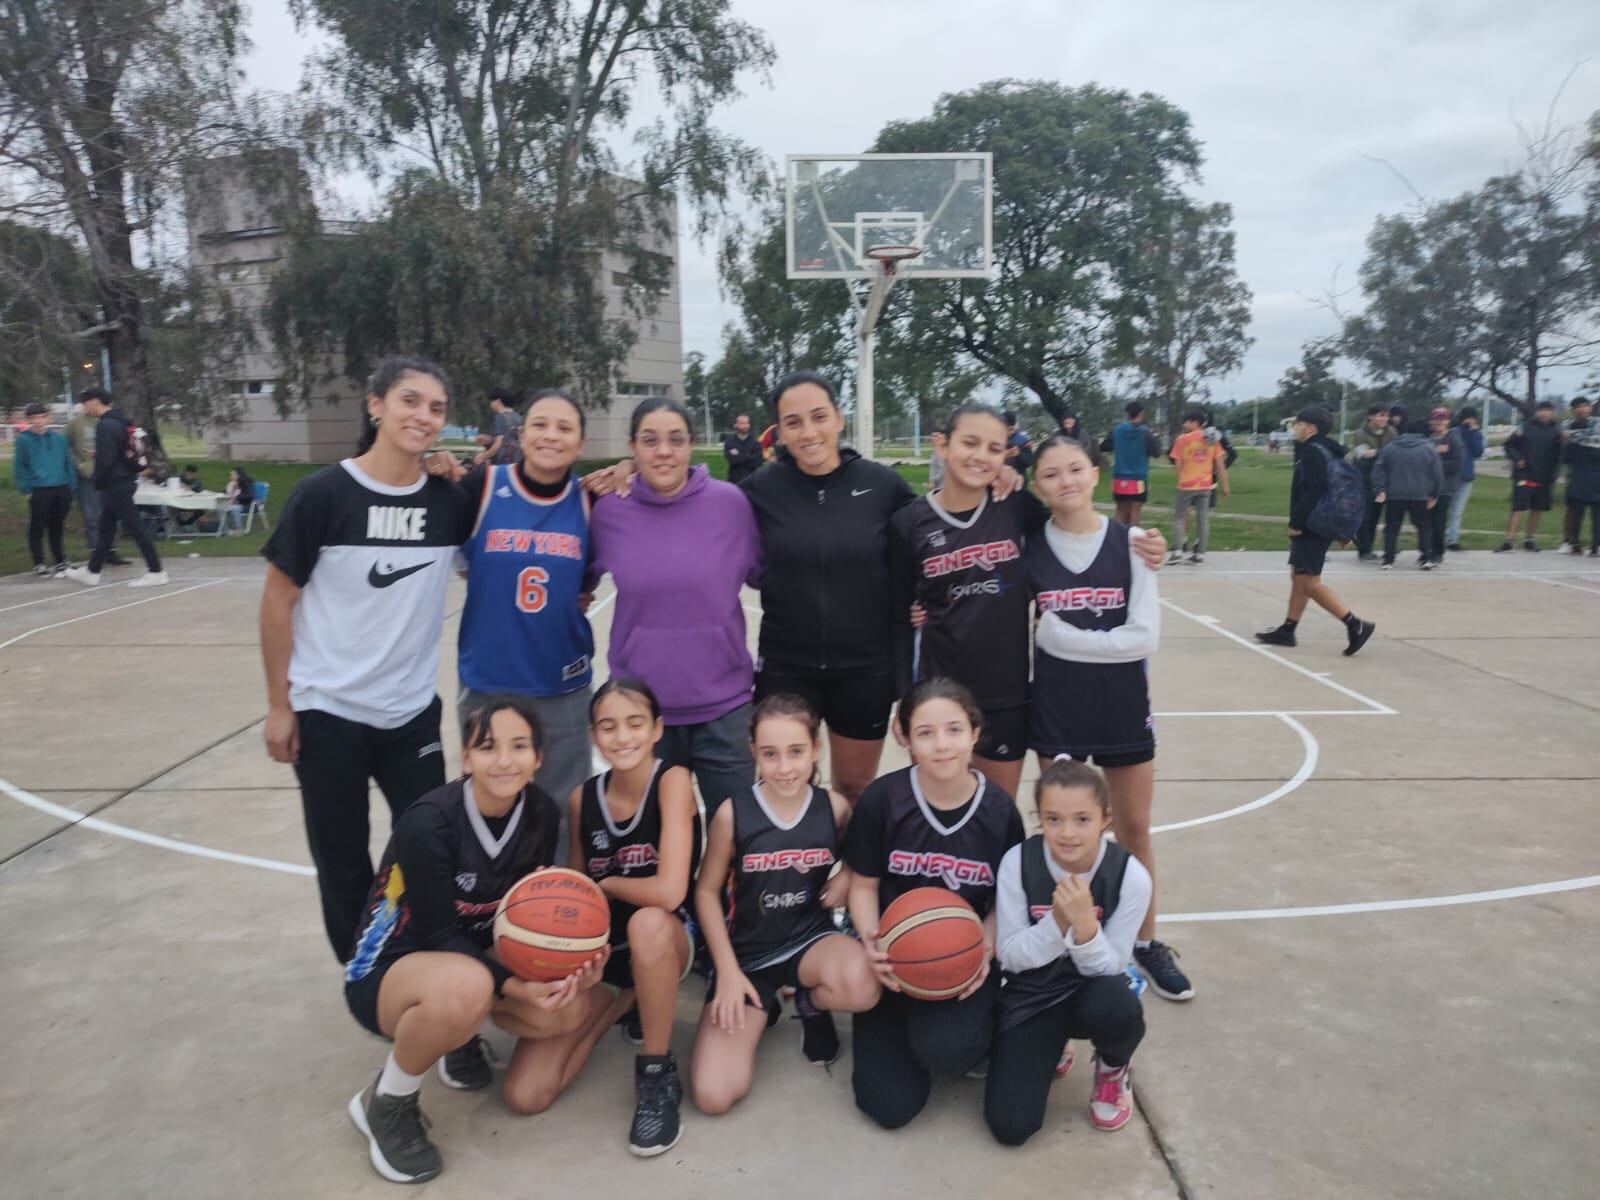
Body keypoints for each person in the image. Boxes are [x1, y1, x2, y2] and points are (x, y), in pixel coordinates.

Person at [260, 356, 474, 961]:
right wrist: (280, 705)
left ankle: (430, 970)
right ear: (374, 404)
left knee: (428, 852)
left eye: (435, 408)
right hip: (328, 713)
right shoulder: (324, 495)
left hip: (409, 716)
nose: (423, 416)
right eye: (410, 400)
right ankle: (364, 975)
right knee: (342, 860)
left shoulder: (448, 501)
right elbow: (278, 602)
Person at [341, 696, 589, 1185]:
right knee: (467, 986)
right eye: (488, 746)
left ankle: (457, 1038)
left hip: (465, 963)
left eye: (519, 746)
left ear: (539, 757)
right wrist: (515, 986)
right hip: (390, 970)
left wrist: (570, 956)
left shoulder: (538, 810)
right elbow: (440, 934)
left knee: (563, 1009)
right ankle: (387, 1102)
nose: (504, 760)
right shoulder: (429, 821)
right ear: (466, 757)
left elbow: (516, 916)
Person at [890, 404, 1168, 799]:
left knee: (996, 816)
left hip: (1008, 694)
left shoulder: (1017, 508)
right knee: (937, 814)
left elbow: (1074, 527)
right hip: (937, 691)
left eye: (993, 448)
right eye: (969, 443)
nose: (979, 456)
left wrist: (1141, 542)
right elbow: (899, 615)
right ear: (942, 444)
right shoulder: (908, 523)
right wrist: (904, 697)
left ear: (1006, 454)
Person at [1026, 432, 1195, 1000]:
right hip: (1058, 709)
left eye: (1075, 469)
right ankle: (1066, 939)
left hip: (1123, 705)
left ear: (1096, 474)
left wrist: (1059, 635)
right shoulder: (1030, 547)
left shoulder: (1135, 542)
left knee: (1134, 829)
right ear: (1036, 485)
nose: (1065, 481)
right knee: (1065, 836)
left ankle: (1146, 943)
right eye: (1051, 474)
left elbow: (1143, 638)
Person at [844, 679, 1024, 1129]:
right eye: (925, 733)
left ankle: (998, 1022)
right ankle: (906, 1025)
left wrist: (984, 947)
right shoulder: (883, 800)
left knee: (947, 1051)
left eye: (954, 730)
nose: (942, 745)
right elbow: (863, 885)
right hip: (895, 959)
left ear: (975, 734)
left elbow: (1006, 902)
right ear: (904, 737)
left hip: (961, 960)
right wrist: (872, 942)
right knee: (888, 1107)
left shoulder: (1000, 812)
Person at [739, 372, 921, 805]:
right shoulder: (759, 491)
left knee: (854, 791)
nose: (808, 432)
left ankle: (850, 873)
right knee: (782, 788)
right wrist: (627, 474)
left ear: (839, 418)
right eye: (793, 422)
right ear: (779, 432)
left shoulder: (883, 485)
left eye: (819, 417)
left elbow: (939, 528)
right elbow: (694, 502)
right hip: (786, 665)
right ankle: (788, 873)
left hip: (864, 669)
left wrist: (997, 483)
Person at [692, 694, 878, 1114]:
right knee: (713, 1094)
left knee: (865, 982)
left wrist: (847, 874)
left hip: (809, 941)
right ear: (753, 752)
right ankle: (765, 999)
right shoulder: (733, 814)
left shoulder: (833, 807)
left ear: (816, 749)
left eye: (796, 752)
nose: (784, 767)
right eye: (770, 754)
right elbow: (705, 892)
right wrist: (724, 972)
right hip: (747, 958)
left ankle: (811, 1004)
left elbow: (862, 856)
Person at [590, 398, 762, 815]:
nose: (663, 451)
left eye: (675, 439)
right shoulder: (609, 510)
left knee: (735, 835)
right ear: (632, 446)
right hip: (641, 713)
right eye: (649, 441)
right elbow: (575, 585)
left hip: (725, 709)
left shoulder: (731, 505)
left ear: (692, 444)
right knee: (657, 844)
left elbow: (768, 578)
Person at [558, 680, 701, 1155]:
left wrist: (609, 885)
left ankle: (656, 1072)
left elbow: (668, 891)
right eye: (608, 726)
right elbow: (578, 898)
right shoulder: (583, 800)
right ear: (594, 736)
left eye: (635, 723)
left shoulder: (673, 781)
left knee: (647, 922)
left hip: (669, 935)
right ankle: (628, 999)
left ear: (657, 728)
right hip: (609, 955)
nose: (623, 737)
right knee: (528, 1093)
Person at [984, 759, 1151, 1144]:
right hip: (1033, 994)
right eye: (1053, 819)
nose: (1067, 833)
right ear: (1039, 818)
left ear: (1105, 819)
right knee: (1011, 1127)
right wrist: (1058, 924)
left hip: (1092, 990)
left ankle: (1112, 1067)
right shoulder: (1017, 863)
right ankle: (1052, 1045)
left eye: (1082, 819)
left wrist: (1086, 928)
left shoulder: (1130, 875)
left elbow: (1112, 965)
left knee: (1119, 1005)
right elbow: (1009, 955)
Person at [454, 389, 598, 814]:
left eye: (564, 427)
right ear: (522, 432)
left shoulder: (592, 499)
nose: (551, 436)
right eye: (540, 424)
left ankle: (559, 884)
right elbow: (458, 560)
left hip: (561, 683)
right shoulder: (482, 486)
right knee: (488, 806)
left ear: (581, 443)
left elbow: (594, 573)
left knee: (563, 808)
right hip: (488, 680)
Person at [1257, 407, 1377, 652]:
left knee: (1308, 581)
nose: (1295, 428)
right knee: (1299, 576)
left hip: (1311, 524)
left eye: (1298, 423)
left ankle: (1355, 624)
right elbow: (1336, 491)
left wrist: (1296, 523)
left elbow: (1313, 491)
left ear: (1310, 428)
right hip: (1320, 522)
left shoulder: (1312, 451)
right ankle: (1288, 630)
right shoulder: (1327, 450)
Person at [63, 387, 166, 588]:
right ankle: (92, 571)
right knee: (106, 528)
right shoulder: (121, 421)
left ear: (94, 402)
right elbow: (120, 452)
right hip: (124, 480)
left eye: (86, 404)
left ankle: (156, 571)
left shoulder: (104, 425)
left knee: (135, 527)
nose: (85, 408)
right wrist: (99, 454)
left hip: (115, 484)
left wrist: (97, 479)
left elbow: (107, 460)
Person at [1372, 418, 1444, 569]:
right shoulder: (1428, 448)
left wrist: (1380, 489)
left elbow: (1379, 469)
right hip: (1419, 493)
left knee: (1392, 527)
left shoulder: (1390, 447)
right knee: (1423, 526)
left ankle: (1388, 559)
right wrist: (1435, 494)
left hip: (1394, 493)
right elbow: (1437, 473)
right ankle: (1426, 557)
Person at [16, 403, 74, 577]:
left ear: (48, 418)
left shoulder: (58, 439)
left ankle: (59, 560)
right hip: (39, 489)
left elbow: (67, 463)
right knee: (38, 526)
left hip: (61, 487)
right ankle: (39, 562)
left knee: (57, 525)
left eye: (42, 417)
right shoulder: (24, 440)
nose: (39, 421)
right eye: (34, 418)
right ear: (29, 420)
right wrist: (27, 489)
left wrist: (71, 486)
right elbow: (20, 467)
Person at [65, 397, 125, 564]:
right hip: (88, 475)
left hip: (109, 475)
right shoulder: (76, 423)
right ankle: (96, 551)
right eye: (87, 403)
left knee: (114, 513)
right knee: (92, 516)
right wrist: (79, 464)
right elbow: (63, 445)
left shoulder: (111, 422)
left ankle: (112, 550)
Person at [1166, 408, 1230, 565]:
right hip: (1205, 484)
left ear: (1195, 423)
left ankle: (1178, 551)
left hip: (1187, 484)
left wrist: (1180, 479)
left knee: (1180, 517)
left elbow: (1178, 462)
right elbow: (1220, 465)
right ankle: (1200, 553)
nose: (1185, 424)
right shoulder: (1212, 439)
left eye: (1187, 421)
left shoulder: (1182, 439)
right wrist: (1225, 485)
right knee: (1203, 518)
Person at [1496, 400, 1561, 552]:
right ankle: (1509, 540)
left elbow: (1559, 453)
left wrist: (1554, 473)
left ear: (1551, 412)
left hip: (1544, 476)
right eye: (1541, 410)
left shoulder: (1556, 431)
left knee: (1537, 508)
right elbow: (1509, 445)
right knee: (1518, 508)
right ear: (1537, 412)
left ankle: (1529, 539)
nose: (1544, 413)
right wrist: (1517, 459)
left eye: (1547, 410)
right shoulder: (1525, 427)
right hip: (1523, 474)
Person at [1100, 401, 1163, 526]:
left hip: (1119, 477)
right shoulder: (1146, 432)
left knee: (1120, 511)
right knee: (1135, 511)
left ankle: (1116, 539)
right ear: (1141, 413)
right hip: (1138, 478)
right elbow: (1156, 452)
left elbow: (1104, 446)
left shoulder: (1117, 430)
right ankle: (1132, 541)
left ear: (1127, 414)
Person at [1349, 403, 1395, 561]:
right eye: (1381, 415)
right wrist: (1383, 454)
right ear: (1371, 417)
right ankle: (1364, 549)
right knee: (1365, 515)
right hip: (1364, 478)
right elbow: (1362, 457)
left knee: (1376, 515)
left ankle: (1368, 546)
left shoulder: (1391, 432)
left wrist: (1376, 452)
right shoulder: (1360, 434)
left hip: (1383, 479)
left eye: (1386, 416)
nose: (1384, 419)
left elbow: (1393, 452)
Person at [1426, 407, 1465, 566]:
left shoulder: (1454, 439)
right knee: (1426, 521)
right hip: (1427, 486)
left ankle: (1437, 552)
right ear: (1431, 421)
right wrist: (1438, 452)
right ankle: (1426, 550)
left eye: (1443, 419)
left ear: (1448, 421)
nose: (1440, 422)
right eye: (1437, 419)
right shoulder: (1427, 439)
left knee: (1439, 520)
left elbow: (1456, 464)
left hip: (1445, 487)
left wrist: (1435, 460)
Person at [1562, 397, 1600, 556]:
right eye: (1577, 407)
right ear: (1573, 410)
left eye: (1584, 406)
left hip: (1597, 473)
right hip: (1577, 474)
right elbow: (1565, 455)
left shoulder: (1597, 426)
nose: (1581, 409)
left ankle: (1596, 545)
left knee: (1597, 513)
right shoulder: (1567, 428)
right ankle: (1572, 543)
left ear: (1590, 408)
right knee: (1575, 512)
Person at [1446, 406, 1484, 552]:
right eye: (1467, 417)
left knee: (1457, 511)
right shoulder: (1454, 432)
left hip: (1466, 477)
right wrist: (1464, 427)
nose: (1470, 420)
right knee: (1446, 508)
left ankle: (1452, 539)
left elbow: (1478, 452)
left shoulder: (1476, 433)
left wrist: (1474, 432)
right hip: (1451, 476)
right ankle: (1439, 537)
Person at [474, 388, 522, 466]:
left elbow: (498, 445)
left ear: (498, 401)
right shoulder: (519, 417)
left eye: (492, 401)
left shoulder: (500, 417)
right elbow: (511, 438)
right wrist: (489, 439)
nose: (491, 404)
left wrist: (482, 456)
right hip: (518, 461)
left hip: (503, 462)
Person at [722, 412, 763, 485]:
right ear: (735, 425)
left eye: (747, 423)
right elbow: (732, 460)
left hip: (752, 483)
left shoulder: (755, 443)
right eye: (742, 423)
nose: (745, 426)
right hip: (734, 482)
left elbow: (757, 462)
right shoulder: (729, 442)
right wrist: (749, 456)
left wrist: (739, 456)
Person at [222, 466, 257, 534]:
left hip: (247, 505)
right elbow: (223, 493)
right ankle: (225, 529)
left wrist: (236, 497)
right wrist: (229, 487)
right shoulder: (232, 483)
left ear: (239, 475)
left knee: (235, 508)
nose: (231, 476)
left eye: (233, 474)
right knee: (220, 508)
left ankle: (239, 529)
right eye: (230, 475)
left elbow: (250, 495)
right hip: (235, 504)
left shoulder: (247, 483)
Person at [1002, 411, 1034, 481]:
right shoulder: (997, 440)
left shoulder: (1023, 440)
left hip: (1019, 480)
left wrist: (1019, 454)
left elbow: (1029, 462)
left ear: (1011, 428)